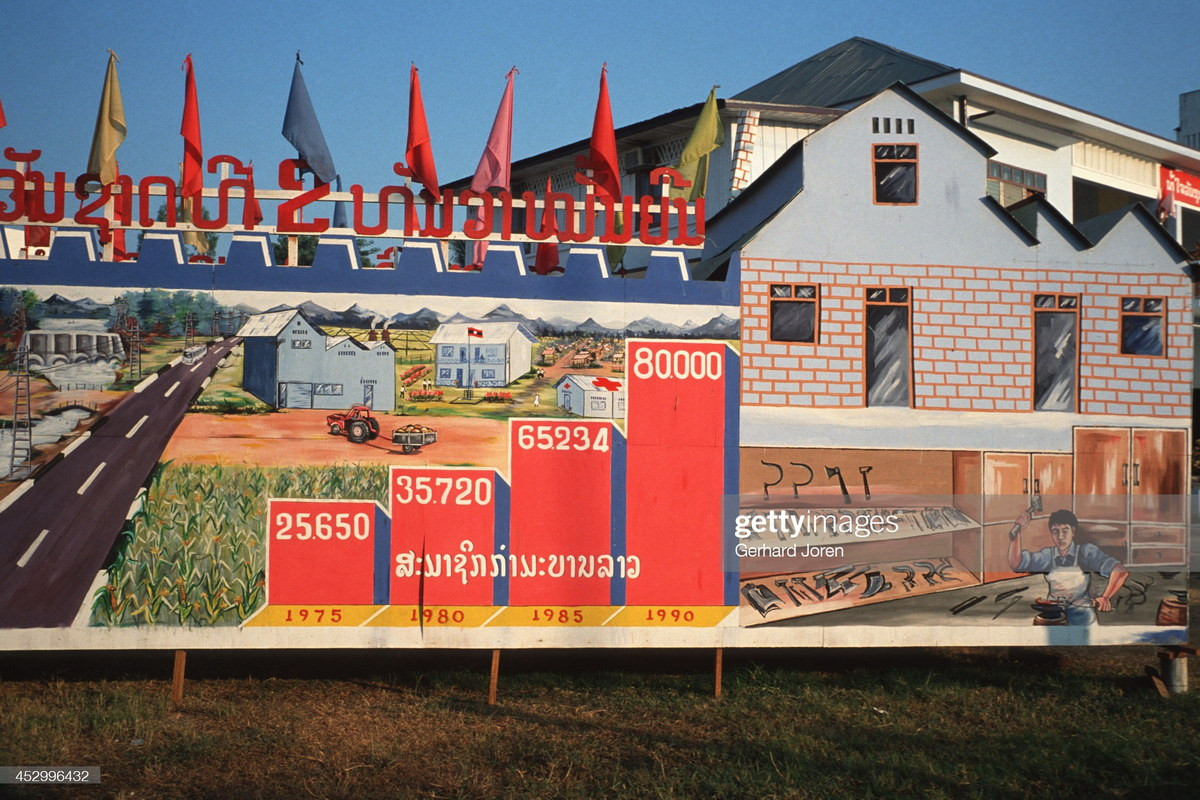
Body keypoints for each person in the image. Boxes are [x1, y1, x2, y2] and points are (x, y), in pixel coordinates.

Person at [1008, 508, 1128, 625]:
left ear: (1073, 532)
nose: (1060, 536)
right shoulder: (1047, 556)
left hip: (1082, 616)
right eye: (1055, 531)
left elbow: (1120, 571)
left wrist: (1105, 597)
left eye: (1065, 531)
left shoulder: (1086, 552)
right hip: (1054, 614)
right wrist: (1016, 533)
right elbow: (1016, 564)